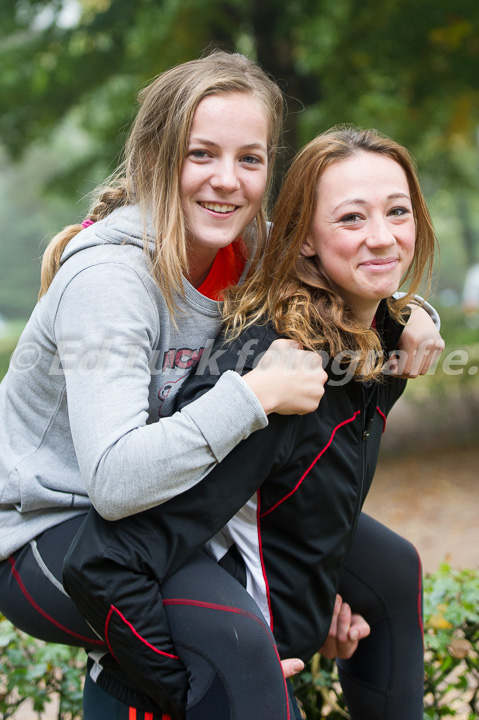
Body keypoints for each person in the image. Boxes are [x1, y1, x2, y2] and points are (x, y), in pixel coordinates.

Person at [0, 50, 441, 719]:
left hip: (166, 505)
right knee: (236, 649)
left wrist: (412, 316)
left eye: (251, 158)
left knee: (386, 572)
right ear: (155, 157)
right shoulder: (111, 285)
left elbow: (352, 252)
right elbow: (114, 484)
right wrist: (253, 396)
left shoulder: (255, 247)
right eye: (200, 154)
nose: (227, 181)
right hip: (54, 530)